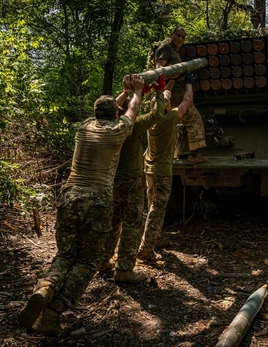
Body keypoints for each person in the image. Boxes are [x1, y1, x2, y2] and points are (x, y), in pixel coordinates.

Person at [18, 75, 145, 336]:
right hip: (96, 200)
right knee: (88, 262)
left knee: (65, 255)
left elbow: (110, 108)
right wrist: (138, 92)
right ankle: (53, 314)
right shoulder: (117, 130)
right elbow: (132, 110)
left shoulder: (84, 127)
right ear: (115, 114)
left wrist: (123, 91)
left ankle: (46, 287)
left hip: (69, 196)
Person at [99, 74, 168, 283]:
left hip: (110, 181)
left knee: (112, 221)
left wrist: (127, 92)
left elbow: (112, 107)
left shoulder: (103, 125)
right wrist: (159, 90)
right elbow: (157, 113)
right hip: (130, 182)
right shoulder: (130, 126)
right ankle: (124, 270)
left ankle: (102, 260)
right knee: (132, 223)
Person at [137, 71, 194, 261]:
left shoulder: (152, 120)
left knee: (152, 205)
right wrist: (188, 82)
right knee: (157, 210)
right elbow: (187, 101)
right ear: (168, 107)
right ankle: (146, 249)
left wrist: (169, 81)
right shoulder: (170, 120)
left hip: (149, 170)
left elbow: (163, 101)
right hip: (162, 172)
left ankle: (155, 238)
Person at [155, 26, 207, 164]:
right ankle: (194, 157)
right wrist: (174, 76)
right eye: (178, 35)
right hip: (173, 92)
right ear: (171, 34)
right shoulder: (165, 48)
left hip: (176, 91)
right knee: (194, 119)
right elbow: (159, 70)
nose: (180, 39)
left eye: (183, 37)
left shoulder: (174, 52)